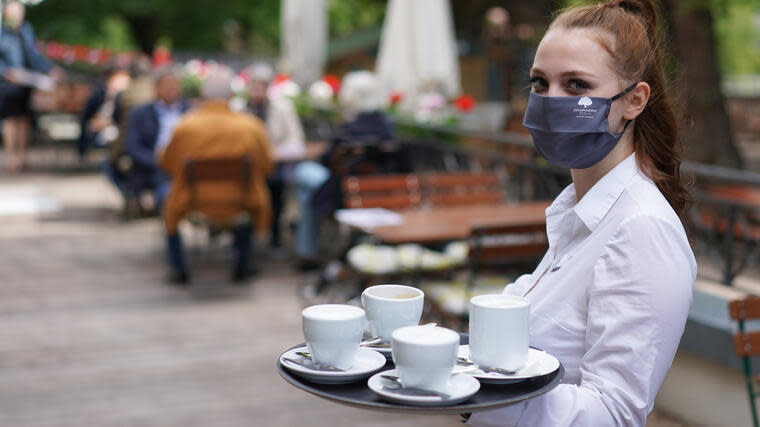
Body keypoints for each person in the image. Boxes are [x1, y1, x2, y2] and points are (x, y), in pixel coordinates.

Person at [466, 1, 696, 426]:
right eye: (540, 83)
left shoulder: (641, 229)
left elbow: (614, 412)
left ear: (634, 101)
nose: (552, 100)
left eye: (576, 85)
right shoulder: (578, 214)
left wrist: (469, 394)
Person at [159, 69, 273, 284]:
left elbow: (168, 164)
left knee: (167, 203)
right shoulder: (251, 127)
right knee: (251, 199)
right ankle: (243, 263)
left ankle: (178, 266)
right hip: (242, 199)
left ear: (202, 96)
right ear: (230, 96)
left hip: (192, 200)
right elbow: (267, 166)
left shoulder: (185, 127)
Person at [293, 70, 394, 269]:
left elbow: (326, 160)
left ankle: (307, 250)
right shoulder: (387, 127)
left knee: (303, 174)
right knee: (307, 192)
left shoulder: (350, 129)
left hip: (344, 191)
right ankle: (307, 248)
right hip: (378, 190)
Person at [246, 63, 305, 250]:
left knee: (275, 190)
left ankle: (274, 235)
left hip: (274, 165)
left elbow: (296, 139)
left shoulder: (282, 108)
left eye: (261, 85)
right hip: (247, 167)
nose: (257, 89)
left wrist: (274, 153)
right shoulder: (240, 109)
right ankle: (250, 237)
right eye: (253, 85)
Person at [0, 0, 57, 173]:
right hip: (7, 84)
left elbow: (34, 55)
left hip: (26, 82)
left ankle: (22, 157)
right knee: (11, 121)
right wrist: (5, 72)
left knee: (24, 120)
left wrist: (50, 68)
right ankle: (12, 159)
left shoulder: (27, 30)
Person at [124, 69, 190, 213]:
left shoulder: (190, 112)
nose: (171, 89)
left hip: (185, 164)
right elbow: (132, 146)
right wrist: (158, 161)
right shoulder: (140, 114)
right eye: (167, 85)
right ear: (156, 88)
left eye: (174, 85)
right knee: (165, 190)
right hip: (154, 166)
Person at [78, 67, 130, 160]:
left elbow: (121, 117)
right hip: (99, 125)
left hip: (117, 127)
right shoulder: (99, 93)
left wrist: (108, 122)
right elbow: (88, 113)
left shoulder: (125, 96)